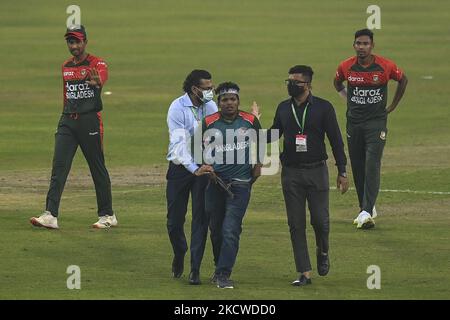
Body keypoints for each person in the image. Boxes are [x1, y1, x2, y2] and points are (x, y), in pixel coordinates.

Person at [268, 65, 348, 286]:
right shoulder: (284, 108)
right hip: (291, 173)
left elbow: (336, 141)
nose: (291, 85)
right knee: (296, 223)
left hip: (317, 171)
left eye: (296, 82)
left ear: (308, 85)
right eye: (289, 81)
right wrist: (251, 126)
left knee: (321, 222)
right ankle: (304, 272)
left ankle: (323, 251)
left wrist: (342, 171)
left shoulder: (324, 108)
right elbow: (274, 133)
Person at [30, 25, 117, 230]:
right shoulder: (66, 66)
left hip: (89, 122)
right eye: (71, 42)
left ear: (85, 42)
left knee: (96, 167)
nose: (74, 45)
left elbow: (101, 75)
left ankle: (108, 215)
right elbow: (67, 95)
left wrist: (97, 82)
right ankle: (50, 215)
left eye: (78, 41)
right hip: (68, 121)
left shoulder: (97, 63)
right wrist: (65, 117)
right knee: (59, 167)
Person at [334, 28, 408, 229]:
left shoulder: (385, 65)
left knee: (372, 163)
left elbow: (403, 80)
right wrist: (347, 98)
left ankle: (366, 210)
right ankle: (365, 208)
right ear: (354, 45)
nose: (362, 47)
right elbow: (337, 83)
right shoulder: (346, 66)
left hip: (376, 122)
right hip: (354, 122)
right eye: (358, 43)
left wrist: (392, 106)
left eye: (366, 44)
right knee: (357, 165)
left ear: (372, 46)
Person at [202, 82, 263, 289]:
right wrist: (206, 166)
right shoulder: (208, 122)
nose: (229, 103)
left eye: (233, 99)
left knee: (230, 229)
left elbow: (261, 142)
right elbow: (199, 148)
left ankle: (223, 274)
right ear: (219, 103)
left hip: (240, 185)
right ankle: (219, 266)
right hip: (215, 183)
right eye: (225, 100)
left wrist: (259, 165)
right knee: (216, 230)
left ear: (238, 101)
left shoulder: (250, 120)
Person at [166, 69, 217, 285]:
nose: (210, 92)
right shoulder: (177, 107)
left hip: (203, 168)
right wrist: (193, 168)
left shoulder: (211, 107)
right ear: (194, 89)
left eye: (211, 88)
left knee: (200, 219)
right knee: (174, 221)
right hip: (180, 167)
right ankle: (180, 252)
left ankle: (194, 269)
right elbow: (178, 145)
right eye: (206, 88)